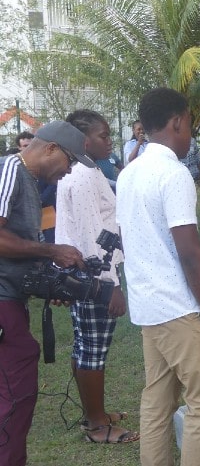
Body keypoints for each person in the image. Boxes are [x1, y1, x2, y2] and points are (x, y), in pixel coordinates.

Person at [116, 87, 200, 466]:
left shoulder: (129, 173)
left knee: (156, 402)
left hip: (148, 308)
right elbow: (191, 254)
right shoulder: (173, 173)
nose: (191, 136)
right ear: (177, 121)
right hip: (178, 310)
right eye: (190, 127)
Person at [0, 120, 91, 466]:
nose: (69, 171)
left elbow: (17, 249)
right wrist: (53, 252)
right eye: (70, 160)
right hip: (3, 304)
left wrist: (50, 280)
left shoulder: (29, 181)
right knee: (15, 396)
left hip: (12, 300)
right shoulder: (11, 169)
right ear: (51, 148)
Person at [56, 110, 138, 444]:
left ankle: (95, 412)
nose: (110, 141)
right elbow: (93, 238)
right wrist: (111, 287)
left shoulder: (84, 170)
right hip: (93, 278)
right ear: (83, 140)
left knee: (84, 345)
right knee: (93, 350)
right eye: (103, 136)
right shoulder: (84, 176)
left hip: (83, 275)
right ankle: (96, 426)